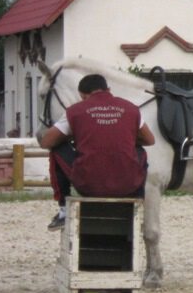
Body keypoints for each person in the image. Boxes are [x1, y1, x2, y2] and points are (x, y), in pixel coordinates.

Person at [39, 73, 155, 231]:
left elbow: (46, 142)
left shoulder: (75, 111)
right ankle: (138, 199)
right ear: (109, 89)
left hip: (87, 184)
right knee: (140, 151)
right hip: (128, 184)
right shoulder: (131, 108)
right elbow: (150, 140)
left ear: (82, 95)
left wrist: (76, 134)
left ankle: (63, 211)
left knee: (57, 149)